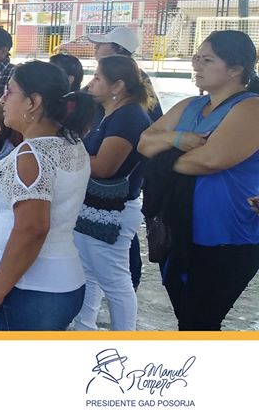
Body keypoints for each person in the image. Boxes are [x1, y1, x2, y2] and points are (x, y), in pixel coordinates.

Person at [138, 30, 259, 330]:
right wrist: (178, 139)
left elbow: (209, 161)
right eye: (196, 58)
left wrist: (163, 157)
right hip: (178, 227)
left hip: (227, 234)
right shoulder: (190, 105)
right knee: (188, 320)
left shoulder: (250, 108)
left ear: (235, 69)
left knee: (199, 322)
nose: (197, 66)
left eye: (207, 60)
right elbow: (143, 143)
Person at [0, 61, 95, 330]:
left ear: (33, 102)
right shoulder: (70, 143)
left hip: (28, 290)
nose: (2, 99)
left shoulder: (32, 155)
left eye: (9, 91)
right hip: (54, 282)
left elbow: (33, 228)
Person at [72, 55, 152, 331]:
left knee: (115, 280)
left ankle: (123, 338)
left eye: (97, 78)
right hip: (94, 205)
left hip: (114, 209)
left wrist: (69, 156)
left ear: (117, 85)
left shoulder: (129, 116)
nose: (90, 84)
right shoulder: (108, 112)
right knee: (88, 273)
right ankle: (85, 328)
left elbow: (105, 167)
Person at [87, 27, 163, 121]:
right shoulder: (135, 75)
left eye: (102, 44)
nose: (96, 47)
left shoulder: (136, 78)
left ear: (119, 48)